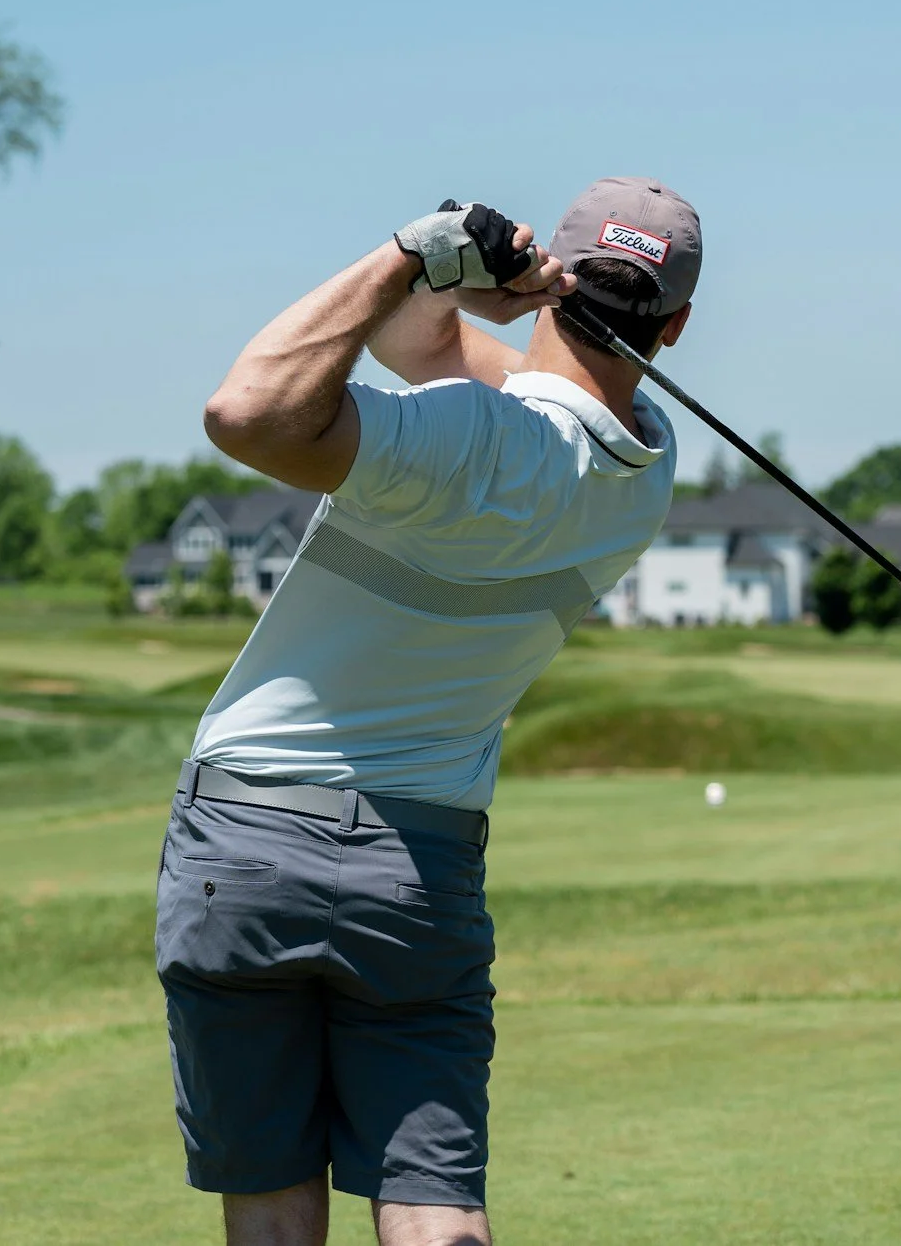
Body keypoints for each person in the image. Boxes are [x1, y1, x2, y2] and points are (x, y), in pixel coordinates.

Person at [164, 178, 704, 1246]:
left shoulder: (459, 434)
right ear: (674, 323)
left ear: (556, 271)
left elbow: (246, 411)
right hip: (418, 866)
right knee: (436, 1207)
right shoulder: (648, 467)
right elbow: (447, 358)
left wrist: (407, 255)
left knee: (271, 1204)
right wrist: (452, 300)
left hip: (245, 837)